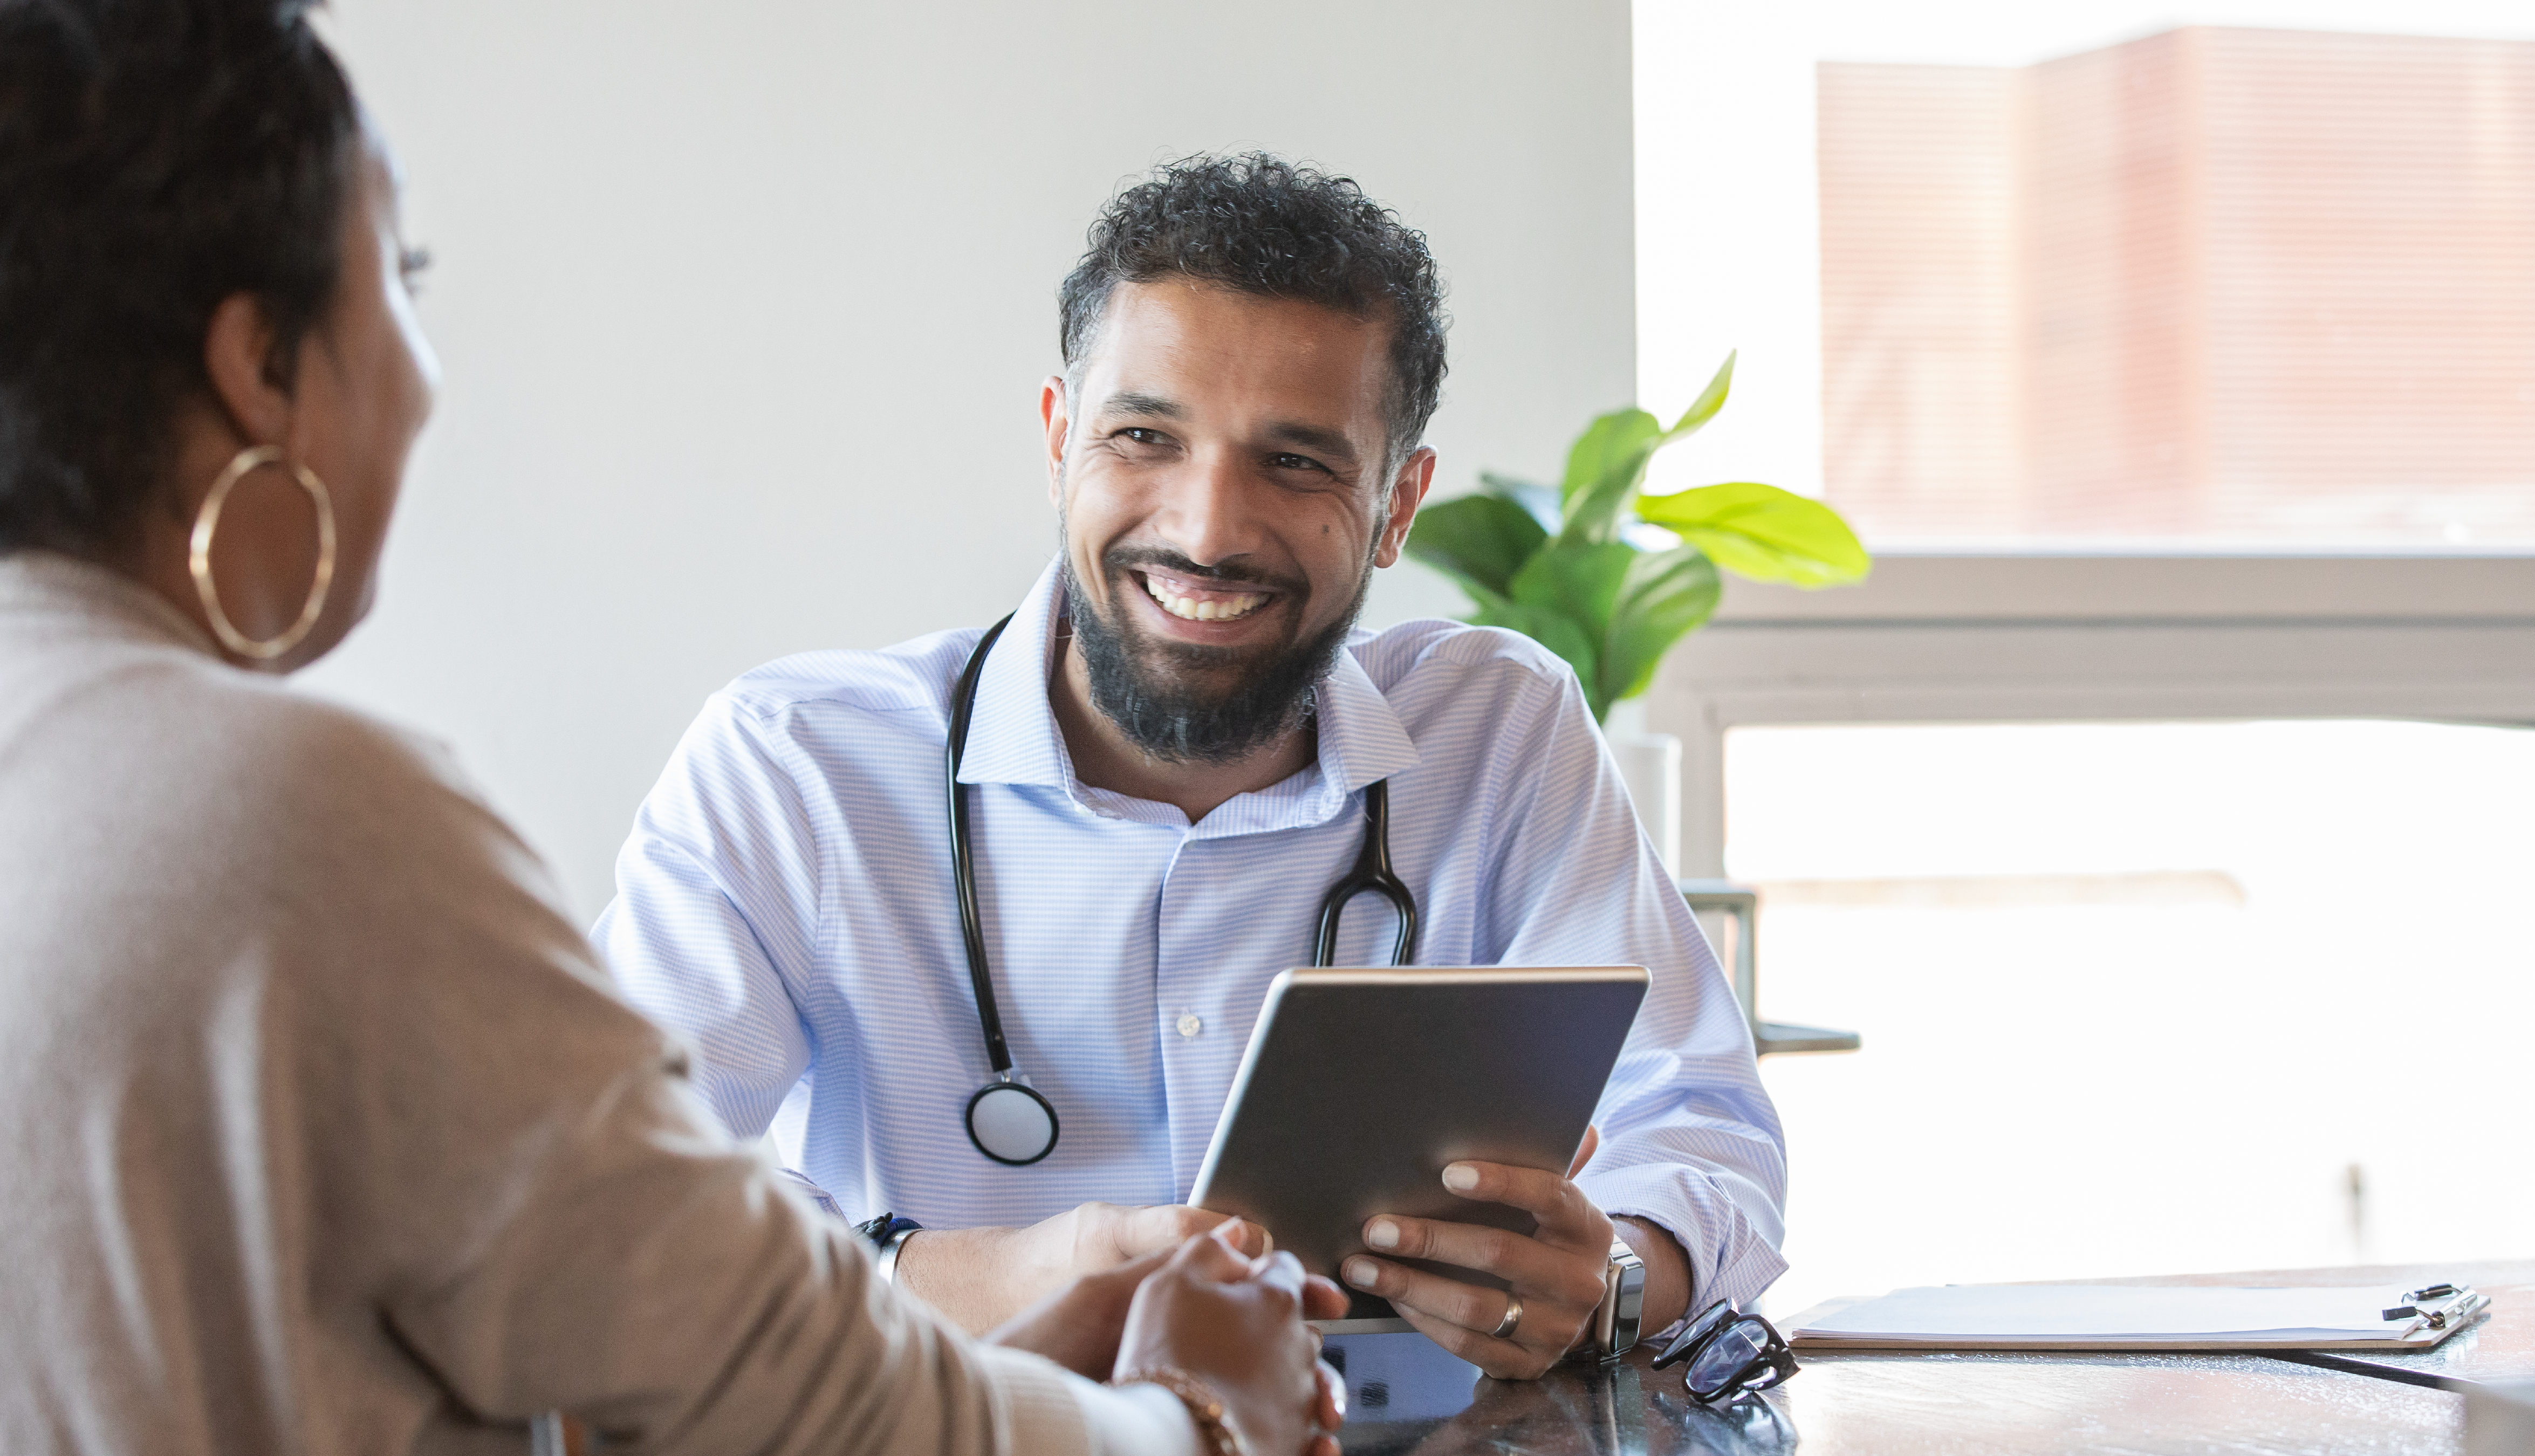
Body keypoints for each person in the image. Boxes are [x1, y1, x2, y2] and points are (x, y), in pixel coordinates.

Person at [0, 3, 1342, 1452]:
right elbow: (792, 1400)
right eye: (404, 275)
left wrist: (1007, 1346)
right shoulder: (300, 816)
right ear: (261, 362)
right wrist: (1194, 1410)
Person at [594, 153, 1790, 1378]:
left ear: (1398, 502)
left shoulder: (1499, 734)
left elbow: (1704, 1128)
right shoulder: (796, 768)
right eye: (1143, 436)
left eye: (1298, 462)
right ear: (1060, 439)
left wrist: (1619, 1269)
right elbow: (611, 1200)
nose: (1208, 529)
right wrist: (972, 1275)